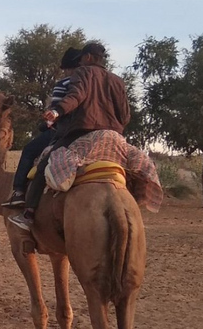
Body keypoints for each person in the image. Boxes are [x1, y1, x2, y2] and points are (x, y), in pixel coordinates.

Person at [9, 42, 131, 231]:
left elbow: (77, 96)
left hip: (83, 133)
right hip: (113, 137)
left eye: (82, 57)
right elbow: (125, 115)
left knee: (44, 164)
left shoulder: (83, 73)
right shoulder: (117, 81)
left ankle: (29, 213)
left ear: (88, 57)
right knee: (133, 169)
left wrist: (57, 111)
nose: (81, 61)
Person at [2, 47, 81, 207]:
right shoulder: (95, 85)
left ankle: (18, 192)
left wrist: (44, 126)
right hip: (97, 132)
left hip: (65, 132)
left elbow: (56, 115)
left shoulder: (64, 84)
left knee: (29, 150)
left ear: (68, 68)